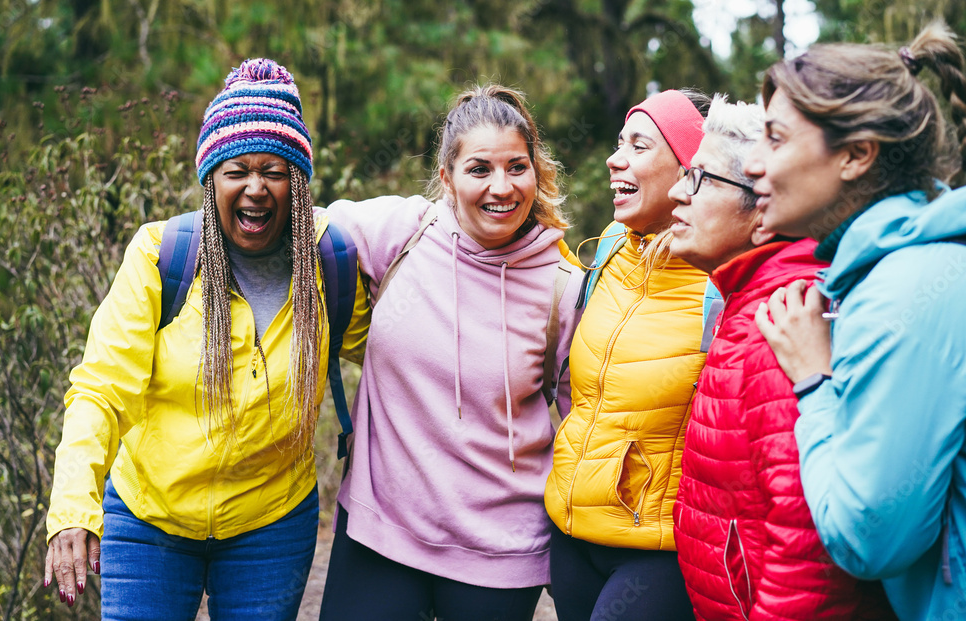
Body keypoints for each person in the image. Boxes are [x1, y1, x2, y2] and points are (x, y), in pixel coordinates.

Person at [43, 58, 369, 620]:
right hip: (150, 519)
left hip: (271, 525)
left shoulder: (328, 265)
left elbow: (402, 356)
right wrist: (73, 506)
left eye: (275, 170)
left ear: (299, 182)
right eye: (236, 170)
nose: (256, 188)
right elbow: (100, 388)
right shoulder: (160, 257)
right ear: (210, 179)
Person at [317, 84, 583, 621]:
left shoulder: (562, 286)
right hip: (380, 531)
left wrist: (580, 552)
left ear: (537, 171)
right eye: (480, 169)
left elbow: (585, 420)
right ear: (446, 178)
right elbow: (293, 229)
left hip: (501, 553)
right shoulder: (403, 233)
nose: (501, 187)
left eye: (517, 167)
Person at [745, 23, 966, 620]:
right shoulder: (892, 273)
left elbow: (868, 539)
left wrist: (815, 382)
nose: (751, 163)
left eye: (774, 138)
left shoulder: (906, 291)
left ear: (855, 155)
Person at [668, 94, 894, 620]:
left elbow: (807, 545)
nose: (678, 192)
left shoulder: (783, 318)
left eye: (699, 178)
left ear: (763, 211)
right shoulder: (746, 302)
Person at [544, 88, 710, 621]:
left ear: (690, 170)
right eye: (619, 144)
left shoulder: (722, 278)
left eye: (639, 146)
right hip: (572, 531)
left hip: (658, 552)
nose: (616, 159)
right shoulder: (614, 244)